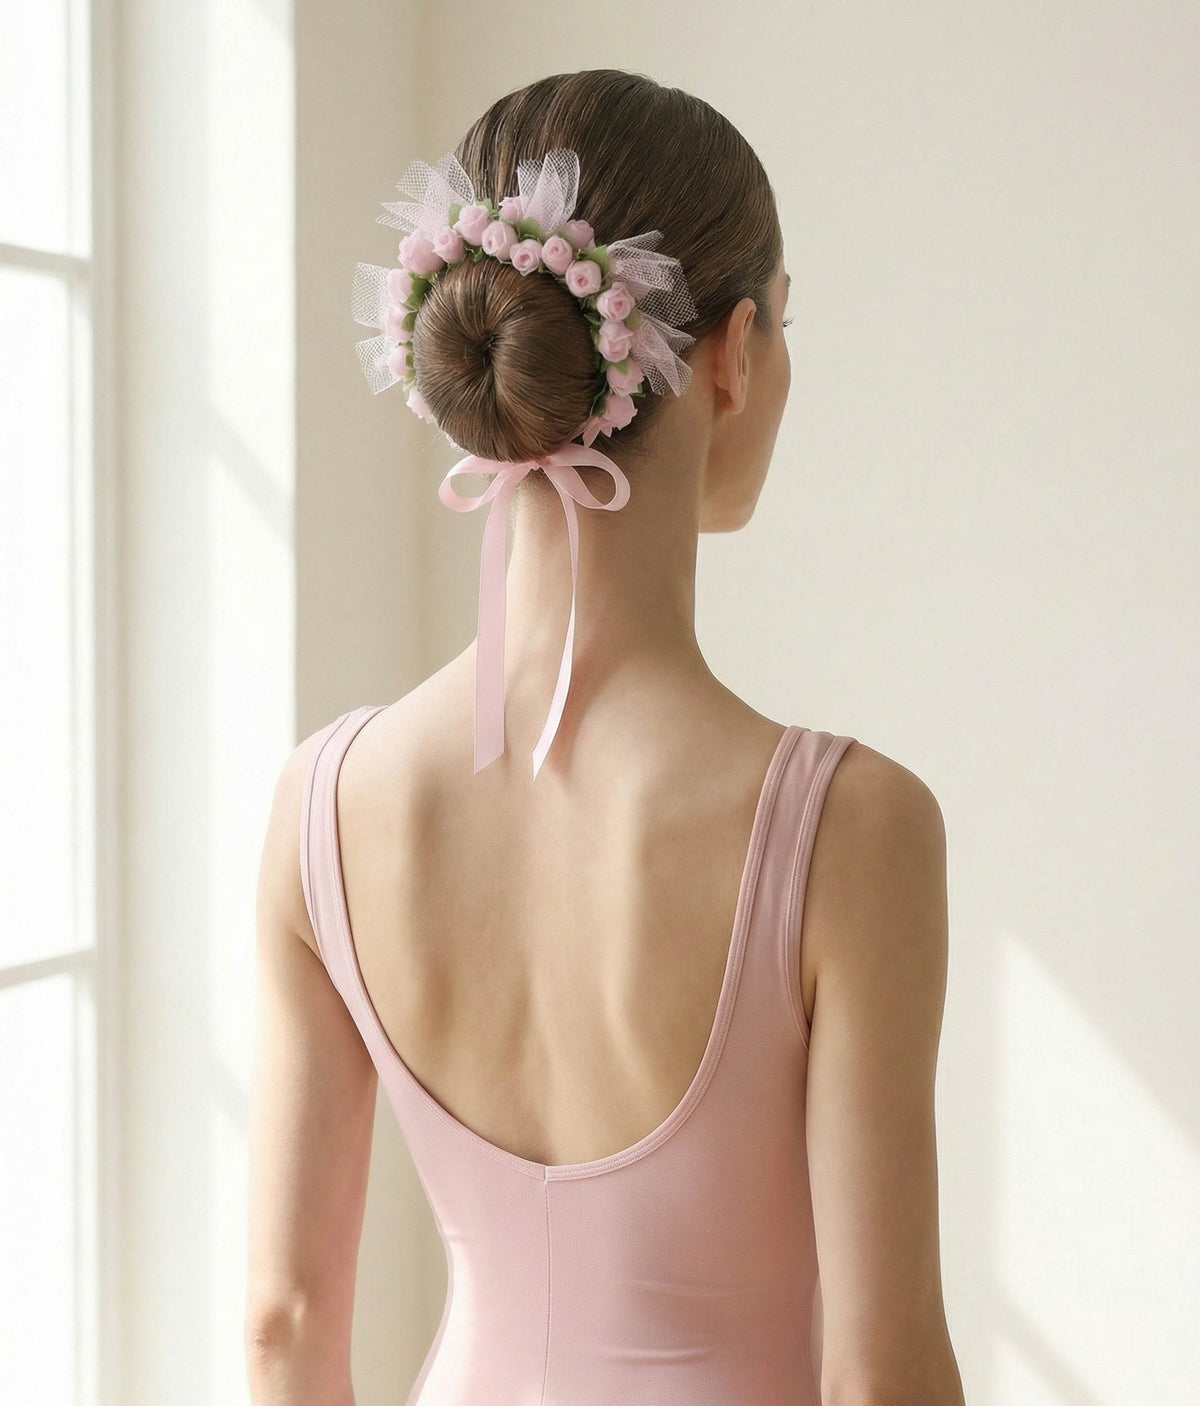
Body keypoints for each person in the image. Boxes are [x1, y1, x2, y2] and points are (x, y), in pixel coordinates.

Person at [246, 68, 965, 1406]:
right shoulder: (849, 827)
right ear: (731, 351)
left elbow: (283, 1325)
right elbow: (883, 1374)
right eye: (787, 324)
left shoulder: (320, 803)